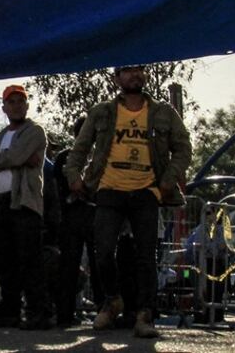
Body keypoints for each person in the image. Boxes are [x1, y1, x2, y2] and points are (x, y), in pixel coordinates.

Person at [65, 65, 191, 339]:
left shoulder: (163, 112)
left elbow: (184, 147)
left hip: (147, 191)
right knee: (103, 252)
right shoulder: (102, 112)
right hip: (109, 189)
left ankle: (145, 316)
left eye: (139, 70)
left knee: (146, 257)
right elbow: (80, 147)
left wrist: (167, 182)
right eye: (127, 71)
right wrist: (73, 175)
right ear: (117, 78)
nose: (135, 75)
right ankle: (112, 300)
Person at [0, 85, 51, 330]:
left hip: (24, 203)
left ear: (27, 105)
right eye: (12, 101)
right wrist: (5, 159)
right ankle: (9, 310)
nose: (17, 105)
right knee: (5, 260)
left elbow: (11, 158)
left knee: (29, 260)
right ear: (4, 107)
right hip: (0, 203)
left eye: (21, 101)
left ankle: (37, 312)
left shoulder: (35, 131)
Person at [53, 115, 103, 327]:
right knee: (69, 266)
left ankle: (103, 310)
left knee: (99, 264)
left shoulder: (102, 157)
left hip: (95, 216)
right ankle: (65, 313)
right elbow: (64, 186)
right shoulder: (67, 157)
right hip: (72, 216)